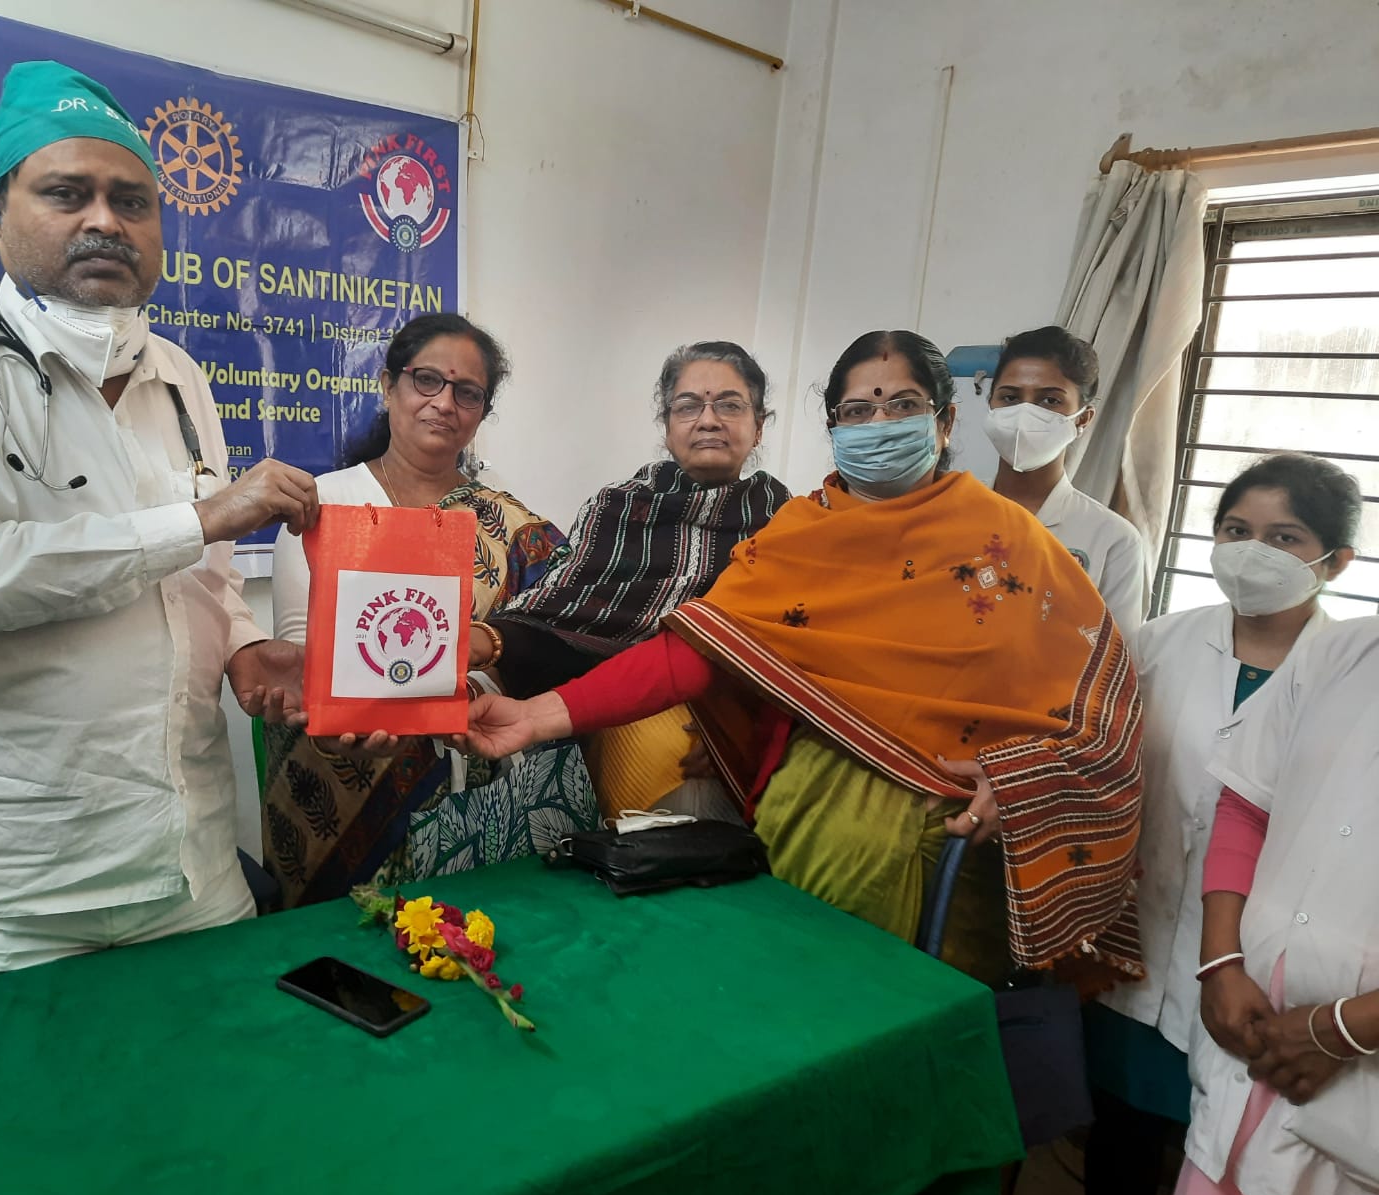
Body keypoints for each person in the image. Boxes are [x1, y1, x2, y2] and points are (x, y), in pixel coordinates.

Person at [0, 62, 317, 997]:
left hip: (186, 863)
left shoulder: (178, 374)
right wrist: (202, 516)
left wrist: (246, 647)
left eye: (132, 201)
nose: (105, 221)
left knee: (216, 1122)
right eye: (66, 193)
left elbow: (198, 573)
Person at [456, 330, 1145, 985]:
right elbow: (697, 655)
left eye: (902, 404)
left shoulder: (1007, 540)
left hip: (954, 832)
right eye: (858, 409)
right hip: (806, 809)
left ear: (944, 421)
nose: (879, 422)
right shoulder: (801, 534)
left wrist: (1022, 779)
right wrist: (534, 717)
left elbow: (1096, 700)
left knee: (889, 1015)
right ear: (834, 428)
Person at [1083, 453, 1360, 1195]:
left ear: (1336, 561)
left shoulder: (1345, 673)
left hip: (1264, 977)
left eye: (1284, 538)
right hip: (1139, 938)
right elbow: (1087, 758)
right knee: (1121, 1142)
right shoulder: (1155, 645)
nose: (1251, 552)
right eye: (1236, 530)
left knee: (1226, 1153)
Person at [264, 313, 596, 907]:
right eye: (426, 381)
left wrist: (473, 667)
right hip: (344, 792)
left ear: (481, 412)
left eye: (467, 392)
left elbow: (562, 635)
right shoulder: (325, 505)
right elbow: (301, 652)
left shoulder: (507, 522)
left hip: (482, 800)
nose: (445, 403)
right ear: (389, 385)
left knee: (477, 952)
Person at [487, 341, 791, 821]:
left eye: (730, 405)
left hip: (743, 733)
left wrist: (735, 731)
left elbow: (789, 649)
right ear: (667, 427)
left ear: (758, 427)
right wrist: (488, 641)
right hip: (618, 711)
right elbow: (560, 616)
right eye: (689, 406)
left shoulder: (789, 524)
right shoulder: (616, 509)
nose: (708, 420)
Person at [1172, 613, 1379, 1195]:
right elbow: (1246, 803)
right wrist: (1220, 963)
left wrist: (1346, 1029)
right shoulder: (1342, 650)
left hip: (1354, 1079)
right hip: (1254, 1036)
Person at [985, 326, 1147, 633]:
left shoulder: (1112, 539)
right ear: (991, 406)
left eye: (1049, 401)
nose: (1024, 414)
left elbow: (1116, 657)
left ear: (1083, 419)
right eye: (1009, 397)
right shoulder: (950, 511)